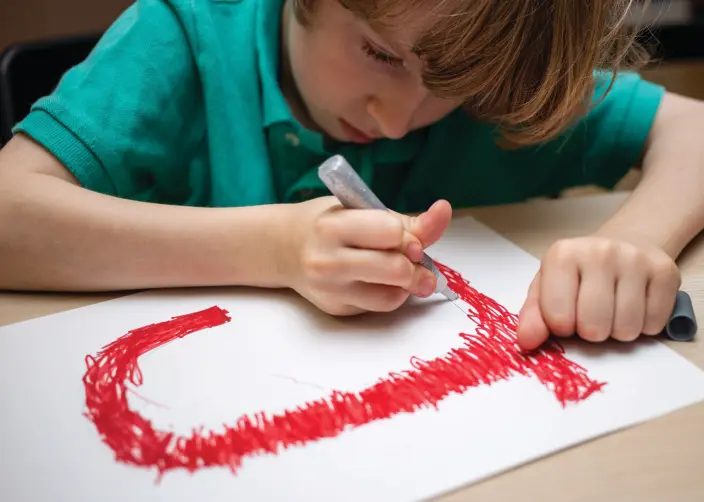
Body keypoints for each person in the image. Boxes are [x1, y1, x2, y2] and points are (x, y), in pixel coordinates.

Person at [0, 0, 702, 351]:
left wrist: (641, 238)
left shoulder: (493, 69)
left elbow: (693, 128)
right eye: (382, 56)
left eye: (446, 86)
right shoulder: (183, 36)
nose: (398, 120)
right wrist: (270, 248)